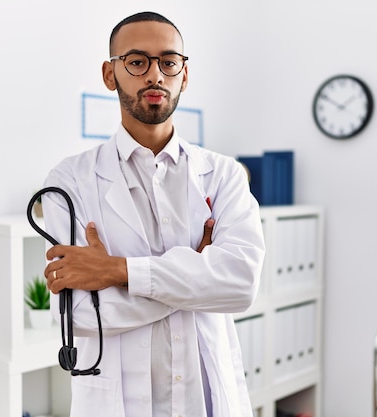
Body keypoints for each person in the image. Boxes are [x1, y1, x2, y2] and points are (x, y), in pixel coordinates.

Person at [40, 11, 265, 417]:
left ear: (184, 74)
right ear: (110, 74)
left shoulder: (223, 174)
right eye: (137, 61)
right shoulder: (68, 181)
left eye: (169, 62)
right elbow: (86, 315)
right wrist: (196, 278)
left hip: (205, 398)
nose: (155, 75)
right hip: (116, 402)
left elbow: (240, 285)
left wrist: (117, 271)